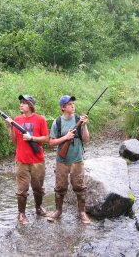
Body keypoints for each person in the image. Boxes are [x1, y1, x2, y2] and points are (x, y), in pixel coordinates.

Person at [5, 94, 49, 224]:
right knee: (21, 190)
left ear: (30, 105)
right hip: (21, 160)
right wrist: (9, 126)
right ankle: (21, 214)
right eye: (20, 103)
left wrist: (32, 138)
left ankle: (39, 208)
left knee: (38, 188)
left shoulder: (40, 119)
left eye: (24, 103)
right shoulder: (17, 120)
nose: (21, 105)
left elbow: (46, 138)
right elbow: (14, 140)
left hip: (37, 160)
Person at [47, 95, 91, 224]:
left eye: (73, 103)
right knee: (60, 187)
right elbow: (51, 142)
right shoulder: (57, 122)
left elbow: (87, 140)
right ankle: (58, 211)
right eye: (69, 104)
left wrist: (85, 126)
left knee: (79, 186)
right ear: (63, 107)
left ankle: (82, 213)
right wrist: (65, 137)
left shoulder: (79, 119)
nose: (73, 105)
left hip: (77, 159)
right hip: (62, 160)